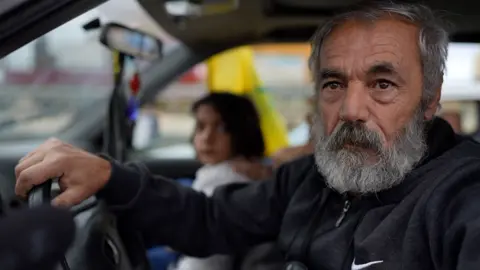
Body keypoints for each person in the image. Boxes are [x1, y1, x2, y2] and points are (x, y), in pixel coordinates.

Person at [14, 2, 480, 269]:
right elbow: (211, 219)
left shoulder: (462, 199)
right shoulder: (310, 179)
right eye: (334, 84)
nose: (351, 109)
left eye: (382, 84)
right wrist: (109, 176)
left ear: (430, 98)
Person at [173, 92, 265, 270]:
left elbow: (200, 255)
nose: (207, 137)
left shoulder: (225, 178)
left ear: (242, 133)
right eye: (201, 127)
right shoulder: (221, 172)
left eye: (221, 128)